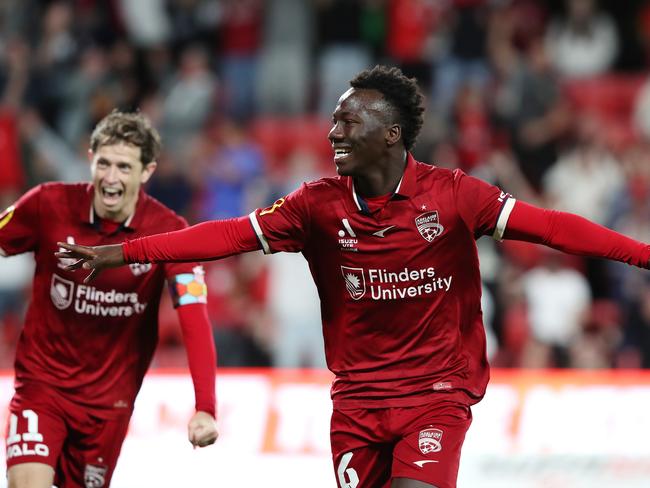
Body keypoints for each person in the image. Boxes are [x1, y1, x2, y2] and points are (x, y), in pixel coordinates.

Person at [57, 66, 650, 488]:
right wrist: (130, 250)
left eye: (348, 121)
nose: (333, 132)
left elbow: (552, 228)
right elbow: (229, 235)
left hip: (435, 395)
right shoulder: (314, 206)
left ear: (390, 134)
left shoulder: (452, 196)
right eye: (335, 120)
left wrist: (642, 255)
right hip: (357, 405)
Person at [1, 111, 218, 488]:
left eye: (123, 166)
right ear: (90, 158)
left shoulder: (169, 232)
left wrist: (205, 407)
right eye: (103, 163)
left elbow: (194, 317)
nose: (111, 177)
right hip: (42, 386)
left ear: (146, 171)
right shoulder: (46, 204)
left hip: (108, 406)